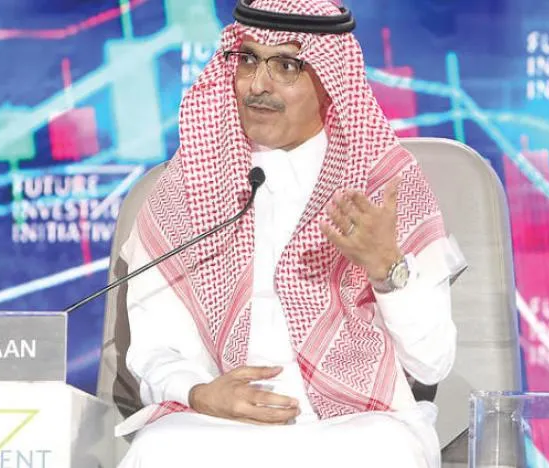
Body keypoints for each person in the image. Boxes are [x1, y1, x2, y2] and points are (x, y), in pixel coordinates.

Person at [114, 0, 463, 466]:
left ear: (329, 80)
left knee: (387, 454)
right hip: (217, 427)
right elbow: (156, 344)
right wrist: (199, 393)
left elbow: (432, 363)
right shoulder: (190, 185)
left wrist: (387, 268)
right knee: (157, 453)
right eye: (248, 60)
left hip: (357, 426)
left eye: (286, 66)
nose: (258, 85)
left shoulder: (384, 186)